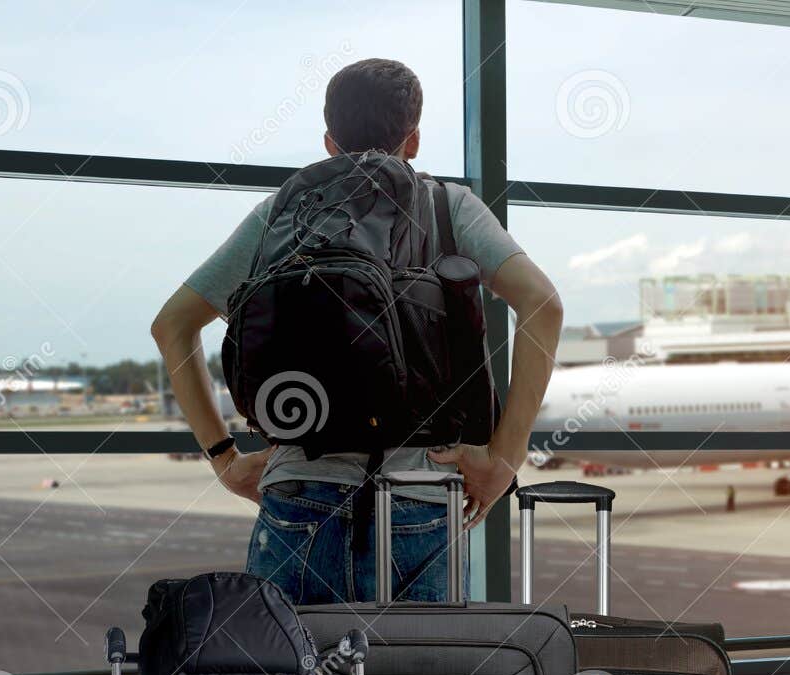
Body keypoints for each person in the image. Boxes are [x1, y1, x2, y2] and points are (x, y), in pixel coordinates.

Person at [152, 58, 563, 606]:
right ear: (412, 140)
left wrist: (226, 459)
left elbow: (172, 326)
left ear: (328, 141)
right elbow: (543, 305)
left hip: (299, 495)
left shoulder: (279, 217)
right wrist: (504, 457)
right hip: (419, 497)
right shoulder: (446, 207)